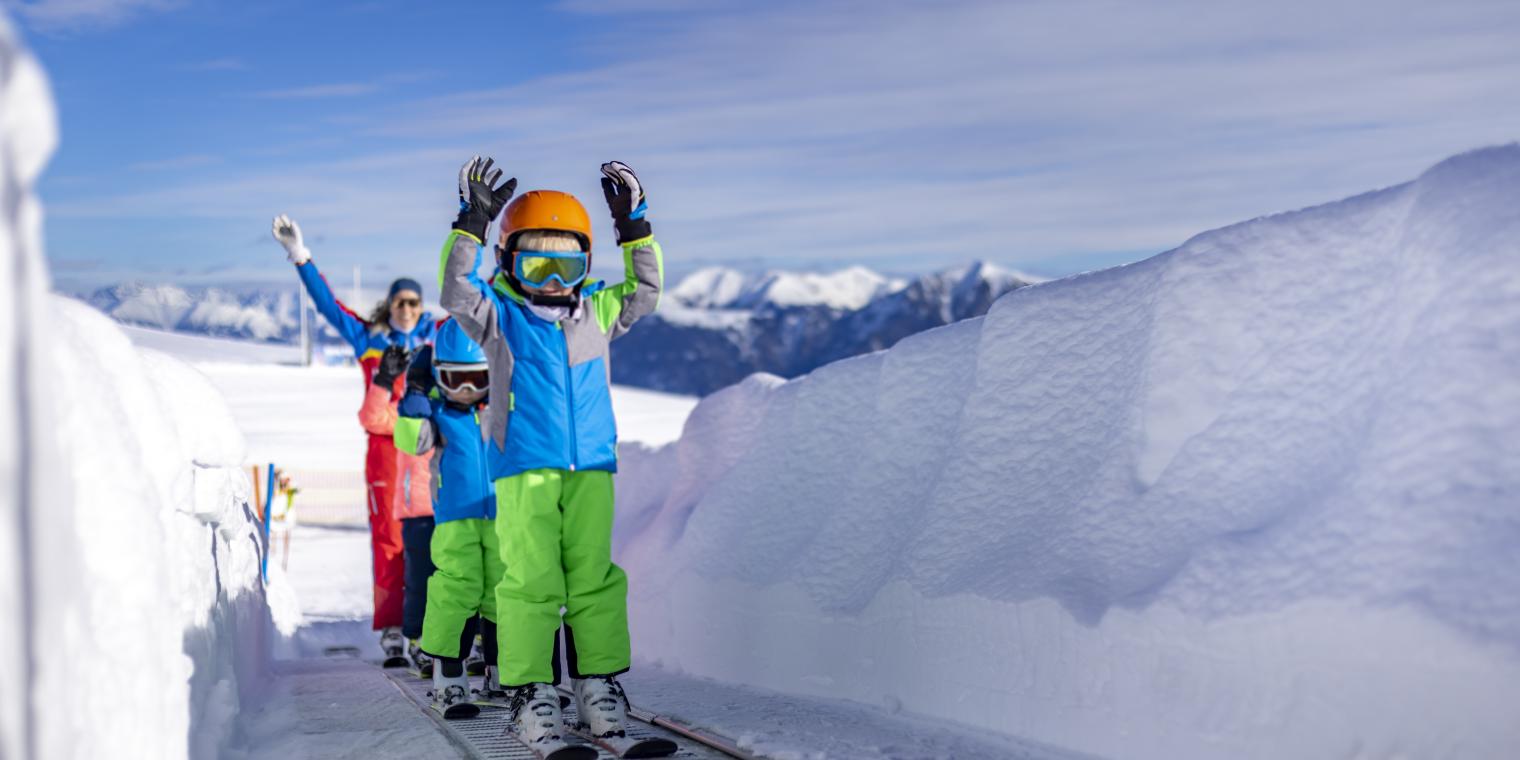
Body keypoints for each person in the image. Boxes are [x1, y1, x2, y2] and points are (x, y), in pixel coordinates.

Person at [438, 157, 662, 748]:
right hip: (524, 469)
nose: (553, 278)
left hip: (590, 466)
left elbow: (645, 292)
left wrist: (634, 227)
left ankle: (597, 685)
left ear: (586, 263)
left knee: (593, 580)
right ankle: (531, 693)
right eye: (537, 262)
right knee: (531, 582)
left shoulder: (597, 310)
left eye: (567, 262)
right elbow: (456, 289)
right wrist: (470, 225)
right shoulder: (499, 315)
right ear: (510, 261)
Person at [271, 215, 440, 662]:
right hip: (385, 450)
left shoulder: (437, 338)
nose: (407, 308)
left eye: (415, 302)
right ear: (390, 304)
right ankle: (390, 629)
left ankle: (431, 627)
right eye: (400, 301)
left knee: (436, 540)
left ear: (423, 307)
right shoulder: (370, 338)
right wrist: (301, 257)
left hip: (428, 451)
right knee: (389, 538)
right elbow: (328, 307)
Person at [393, 319, 536, 718]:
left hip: (502, 514)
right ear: (439, 375)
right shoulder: (437, 412)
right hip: (456, 516)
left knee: (502, 593)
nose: (468, 390)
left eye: (477, 378)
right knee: (457, 589)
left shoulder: (501, 407)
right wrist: (415, 397)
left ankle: (501, 673)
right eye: (455, 379)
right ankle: (449, 679)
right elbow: (409, 441)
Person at [359, 344, 438, 673]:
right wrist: (385, 379)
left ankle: (461, 640)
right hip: (414, 504)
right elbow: (372, 417)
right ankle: (409, 635)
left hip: (448, 503)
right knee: (410, 571)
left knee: (450, 574)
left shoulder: (448, 409)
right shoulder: (403, 411)